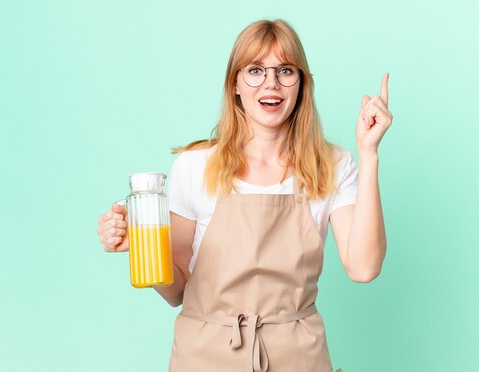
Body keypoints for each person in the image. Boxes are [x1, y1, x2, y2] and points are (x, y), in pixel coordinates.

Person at [97, 19, 392, 372]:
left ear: (301, 85)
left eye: (285, 70)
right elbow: (176, 290)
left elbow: (363, 267)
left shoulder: (331, 164)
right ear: (235, 83)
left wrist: (369, 153)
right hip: (204, 357)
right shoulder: (194, 166)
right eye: (255, 70)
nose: (271, 83)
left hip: (297, 357)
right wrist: (140, 246)